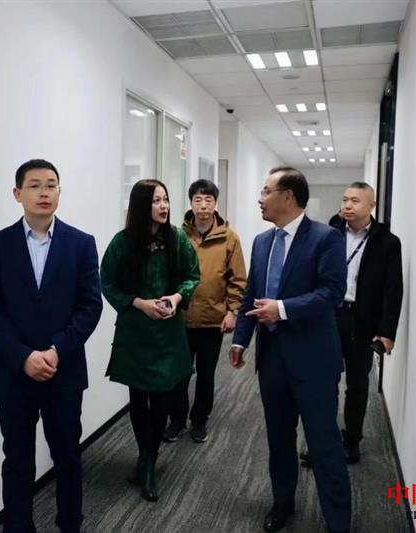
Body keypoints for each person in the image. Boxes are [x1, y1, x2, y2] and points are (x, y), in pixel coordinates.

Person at [0, 159, 103, 533]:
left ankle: (70, 524)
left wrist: (56, 350)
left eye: (51, 185)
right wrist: (24, 356)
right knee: (17, 461)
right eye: (34, 185)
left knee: (67, 458)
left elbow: (90, 306)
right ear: (18, 194)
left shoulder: (81, 244)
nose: (44, 192)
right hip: (14, 374)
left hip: (64, 373)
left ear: (59, 193)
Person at [229, 166, 351, 533]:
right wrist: (240, 338)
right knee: (279, 440)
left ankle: (338, 521)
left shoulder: (326, 238)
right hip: (272, 360)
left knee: (324, 444)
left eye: (266, 191)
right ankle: (282, 503)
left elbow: (331, 293)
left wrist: (282, 309)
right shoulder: (261, 242)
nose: (260, 199)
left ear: (288, 196)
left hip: (314, 361)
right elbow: (252, 294)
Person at [100, 179, 200, 502]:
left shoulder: (177, 238)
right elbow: (107, 282)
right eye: (157, 200)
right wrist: (140, 303)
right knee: (137, 399)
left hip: (167, 333)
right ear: (142, 205)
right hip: (135, 332)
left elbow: (193, 276)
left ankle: (148, 463)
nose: (164, 206)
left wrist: (175, 297)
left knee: (160, 401)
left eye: (166, 199)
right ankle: (145, 460)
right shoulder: (122, 242)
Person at [302, 182, 403, 466]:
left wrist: (386, 332)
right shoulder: (330, 233)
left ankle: (352, 440)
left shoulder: (387, 242)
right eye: (345, 199)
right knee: (324, 382)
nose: (347, 205)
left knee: (357, 384)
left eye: (355, 201)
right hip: (329, 316)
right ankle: (322, 441)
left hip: (363, 321)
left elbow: (393, 290)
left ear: (372, 206)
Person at [164, 179, 247, 443]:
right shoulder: (177, 235)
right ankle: (177, 420)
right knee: (179, 373)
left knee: (206, 375)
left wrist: (232, 311)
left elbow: (238, 280)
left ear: (215, 203)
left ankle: (199, 420)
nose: (203, 206)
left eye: (208, 200)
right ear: (191, 203)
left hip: (213, 319)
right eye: (198, 200)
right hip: (181, 319)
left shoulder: (230, 238)